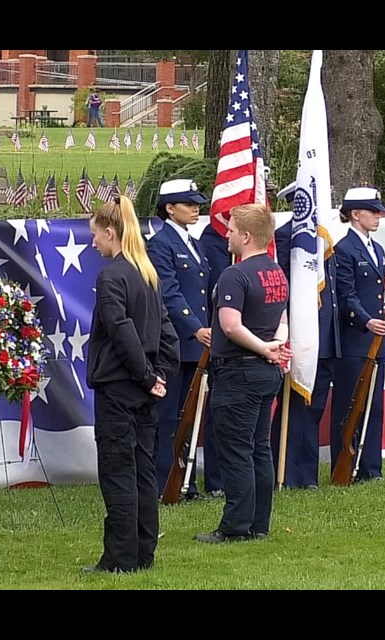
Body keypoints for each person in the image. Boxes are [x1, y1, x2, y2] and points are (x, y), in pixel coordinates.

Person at [85, 194, 180, 573]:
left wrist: (144, 374)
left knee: (118, 471)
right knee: (143, 471)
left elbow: (121, 332)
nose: (93, 243)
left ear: (111, 232)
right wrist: (161, 374)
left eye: (96, 235)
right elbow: (166, 330)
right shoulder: (147, 273)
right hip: (145, 389)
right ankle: (143, 551)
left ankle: (120, 557)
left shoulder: (112, 276)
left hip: (120, 388)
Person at [196, 203, 291, 544]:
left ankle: (235, 526)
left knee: (236, 449)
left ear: (247, 236)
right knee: (259, 448)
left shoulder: (234, 275)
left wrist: (265, 348)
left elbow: (230, 325)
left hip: (239, 373)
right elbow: (282, 320)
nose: (228, 234)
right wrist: (275, 345)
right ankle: (258, 523)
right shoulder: (276, 273)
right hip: (266, 372)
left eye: (233, 229)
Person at [270, 181, 341, 489]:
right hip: (299, 334)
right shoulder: (286, 238)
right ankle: (286, 472)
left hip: (322, 335)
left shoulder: (324, 236)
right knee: (294, 407)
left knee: (314, 409)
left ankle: (306, 474)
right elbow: (287, 289)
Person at [146, 178, 212, 501]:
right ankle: (164, 482)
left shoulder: (193, 242)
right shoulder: (160, 244)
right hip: (175, 343)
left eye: (196, 202)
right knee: (170, 416)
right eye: (188, 203)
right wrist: (196, 327)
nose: (195, 208)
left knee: (192, 415)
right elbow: (168, 293)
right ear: (170, 209)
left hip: (198, 343)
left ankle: (188, 481)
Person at [330, 186, 385, 483]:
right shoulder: (344, 250)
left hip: (375, 340)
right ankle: (344, 463)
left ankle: (370, 468)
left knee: (374, 406)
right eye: (373, 211)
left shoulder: (377, 249)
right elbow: (346, 296)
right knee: (349, 404)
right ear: (356, 214)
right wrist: (367, 322)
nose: (378, 216)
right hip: (355, 339)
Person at [197, 217, 232, 498]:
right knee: (208, 411)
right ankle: (212, 479)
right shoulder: (208, 243)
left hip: (239, 340)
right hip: (211, 337)